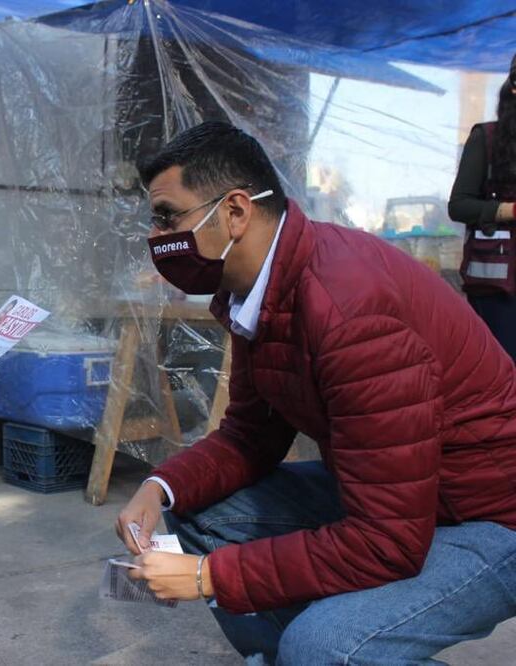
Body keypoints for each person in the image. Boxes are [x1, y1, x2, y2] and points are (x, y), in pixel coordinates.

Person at [116, 121, 516, 664]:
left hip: (488, 516)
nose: (156, 237)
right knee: (195, 505)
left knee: (324, 645)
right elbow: (251, 435)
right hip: (400, 492)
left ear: (235, 211)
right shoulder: (262, 288)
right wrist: (159, 486)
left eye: (168, 217)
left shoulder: (350, 311)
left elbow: (388, 543)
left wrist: (210, 576)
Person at [449, 54, 516, 360]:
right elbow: (459, 206)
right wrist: (508, 211)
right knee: (505, 368)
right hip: (497, 289)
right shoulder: (485, 139)